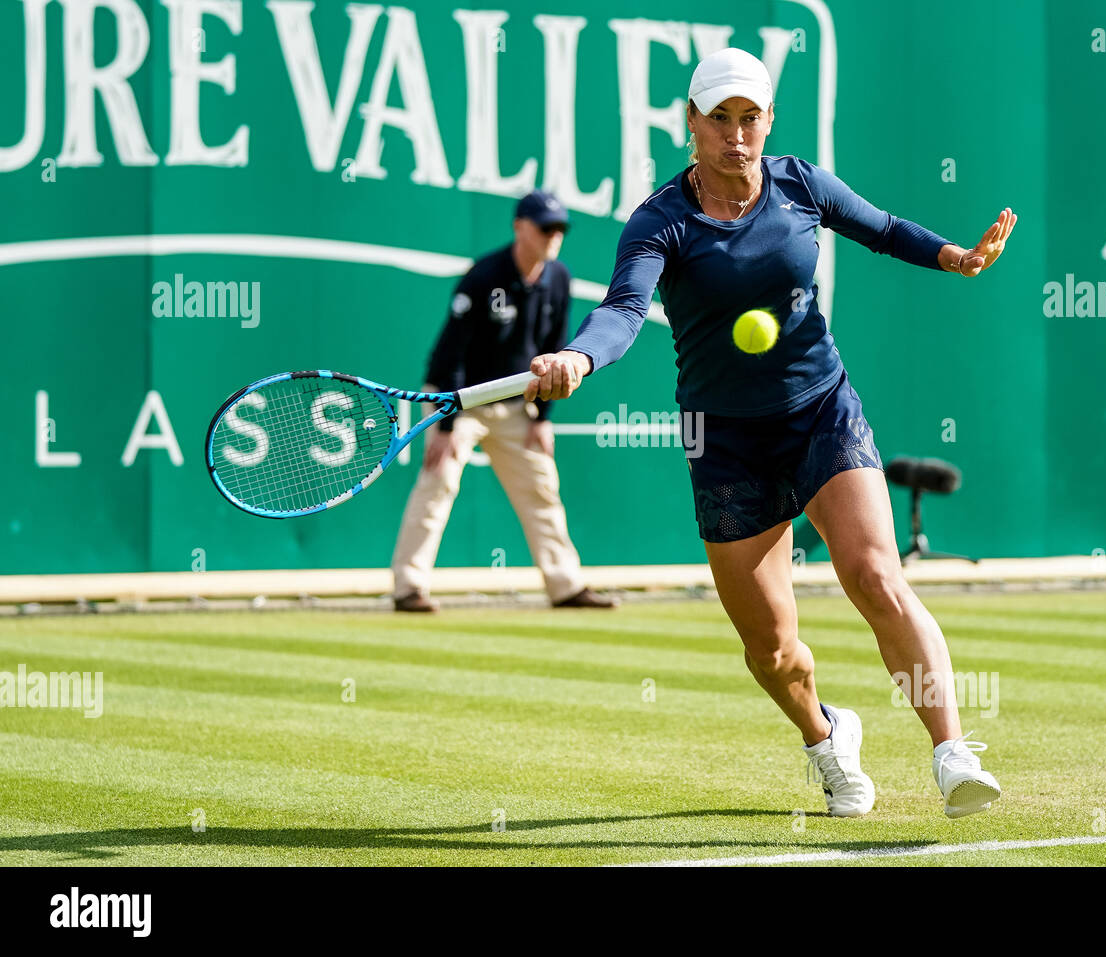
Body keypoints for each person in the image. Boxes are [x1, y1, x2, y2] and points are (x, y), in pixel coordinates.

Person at [523, 49, 1017, 818]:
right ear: (691, 123)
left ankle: (952, 752)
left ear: (768, 121)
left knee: (876, 575)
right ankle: (827, 739)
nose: (735, 134)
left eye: (749, 116)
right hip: (723, 439)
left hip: (821, 408)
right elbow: (623, 310)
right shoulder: (661, 221)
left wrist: (953, 256)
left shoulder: (800, 184)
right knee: (773, 648)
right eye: (718, 118)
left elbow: (880, 227)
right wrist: (580, 356)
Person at [391, 190, 617, 613]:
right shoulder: (483, 275)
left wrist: (542, 418)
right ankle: (409, 587)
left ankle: (566, 586)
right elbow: (449, 355)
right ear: (519, 228)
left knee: (541, 488)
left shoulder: (559, 278)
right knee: (438, 482)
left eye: (560, 229)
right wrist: (444, 425)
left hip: (517, 404)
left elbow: (556, 348)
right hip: (460, 402)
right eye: (545, 228)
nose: (554, 236)